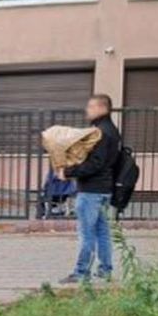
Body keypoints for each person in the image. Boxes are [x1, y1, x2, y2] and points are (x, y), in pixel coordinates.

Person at [58, 94, 121, 283]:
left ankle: (81, 272)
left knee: (87, 234)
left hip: (91, 191)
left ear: (103, 108)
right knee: (103, 232)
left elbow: (95, 164)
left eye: (91, 107)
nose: (88, 110)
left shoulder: (100, 132)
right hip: (104, 189)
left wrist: (68, 172)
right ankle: (105, 270)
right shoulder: (112, 130)